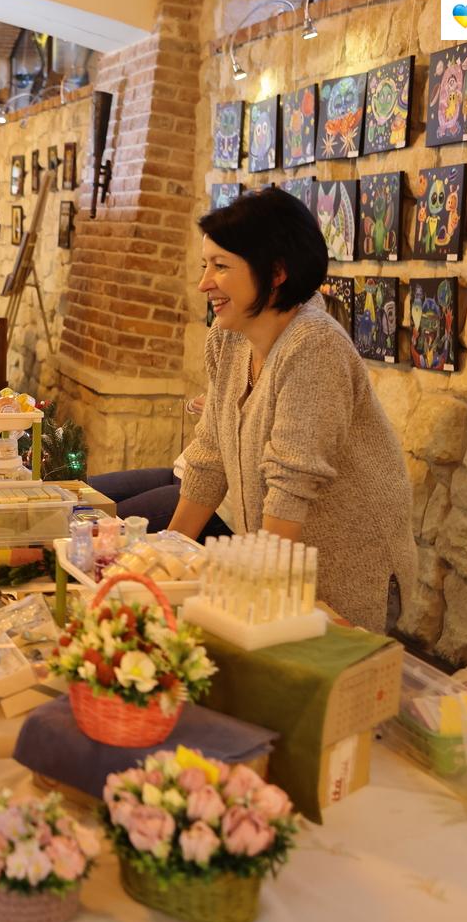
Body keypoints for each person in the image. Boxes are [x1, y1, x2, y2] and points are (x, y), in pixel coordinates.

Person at [168, 187, 415, 633]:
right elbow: (208, 457)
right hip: (279, 565)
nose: (205, 282)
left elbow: (291, 482)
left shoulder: (313, 346)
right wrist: (161, 563)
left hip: (343, 571)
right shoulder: (227, 339)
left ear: (276, 272)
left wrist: (255, 593)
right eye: (206, 265)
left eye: (221, 266)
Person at [86, 397, 235, 539]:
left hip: (216, 501)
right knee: (82, 491)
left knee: (100, 524)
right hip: (181, 471)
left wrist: (220, 416)